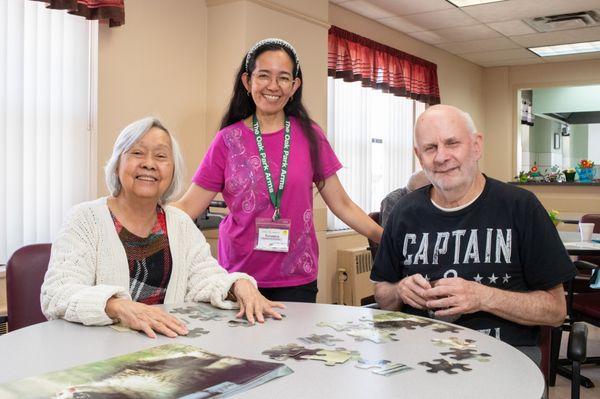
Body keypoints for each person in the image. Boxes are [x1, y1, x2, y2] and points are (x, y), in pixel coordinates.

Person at [174, 38, 382, 303]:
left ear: (294, 86)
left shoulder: (310, 136)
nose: (273, 86)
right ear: (248, 82)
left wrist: (385, 238)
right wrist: (136, 218)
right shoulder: (228, 140)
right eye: (263, 76)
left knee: (293, 347)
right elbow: (188, 206)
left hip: (297, 279)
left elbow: (342, 204)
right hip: (237, 279)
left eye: (283, 78)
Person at [41, 117, 283, 338]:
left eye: (160, 156)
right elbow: (56, 293)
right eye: (137, 153)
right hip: (100, 352)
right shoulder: (85, 219)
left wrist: (238, 284)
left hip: (165, 350)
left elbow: (204, 278)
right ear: (117, 164)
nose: (149, 164)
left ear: (172, 170)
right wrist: (115, 305)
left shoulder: (179, 223)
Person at [370, 104, 576, 363]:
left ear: (476, 146)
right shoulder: (404, 211)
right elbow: (382, 294)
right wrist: (399, 290)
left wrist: (483, 297)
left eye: (452, 143)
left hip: (504, 358)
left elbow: (556, 310)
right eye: (430, 148)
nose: (441, 157)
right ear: (419, 155)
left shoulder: (520, 207)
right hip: (419, 356)